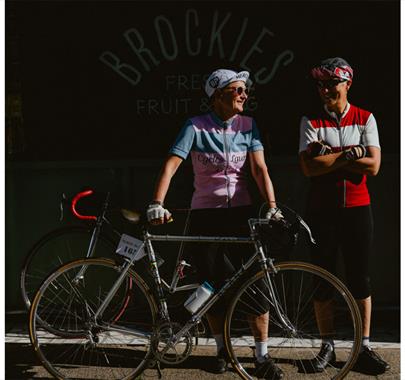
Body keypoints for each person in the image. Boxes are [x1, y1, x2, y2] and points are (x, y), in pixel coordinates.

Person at [146, 69, 284, 379]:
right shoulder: (195, 126)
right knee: (213, 284)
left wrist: (272, 208)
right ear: (217, 96)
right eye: (236, 91)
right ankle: (222, 348)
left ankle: (262, 357)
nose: (243, 95)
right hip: (206, 215)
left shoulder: (249, 126)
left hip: (241, 214)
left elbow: (260, 170)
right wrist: (157, 203)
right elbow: (171, 166)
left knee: (256, 282)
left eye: (244, 90)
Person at [298, 57, 390, 375]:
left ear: (347, 83)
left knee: (359, 280)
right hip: (321, 211)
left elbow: (374, 166)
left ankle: (361, 347)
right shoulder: (310, 120)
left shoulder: (365, 118)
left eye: (331, 83)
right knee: (322, 280)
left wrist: (330, 154)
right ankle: (327, 346)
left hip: (357, 209)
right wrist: (353, 153)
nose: (324, 89)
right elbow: (309, 167)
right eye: (320, 83)